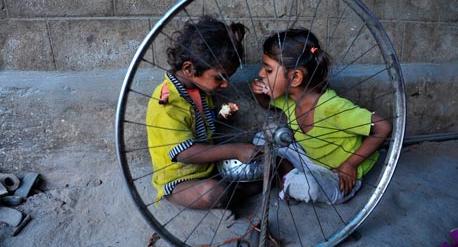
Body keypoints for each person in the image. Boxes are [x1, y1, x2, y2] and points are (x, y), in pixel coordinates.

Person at [251, 28, 392, 204]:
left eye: (268, 70)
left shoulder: (332, 107)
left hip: (337, 174)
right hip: (308, 159)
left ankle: (287, 176)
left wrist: (350, 165)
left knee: (310, 186)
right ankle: (289, 175)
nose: (260, 74)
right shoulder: (289, 98)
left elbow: (383, 127)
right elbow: (266, 103)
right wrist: (258, 92)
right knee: (260, 139)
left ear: (295, 78)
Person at [146, 16, 257, 211]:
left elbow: (198, 124)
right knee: (214, 194)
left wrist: (220, 115)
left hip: (208, 169)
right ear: (189, 69)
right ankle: (230, 194)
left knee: (257, 171)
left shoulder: (199, 89)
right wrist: (235, 149)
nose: (225, 85)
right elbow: (184, 154)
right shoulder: (167, 102)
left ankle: (235, 191)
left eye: (228, 78)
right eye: (220, 78)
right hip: (179, 179)